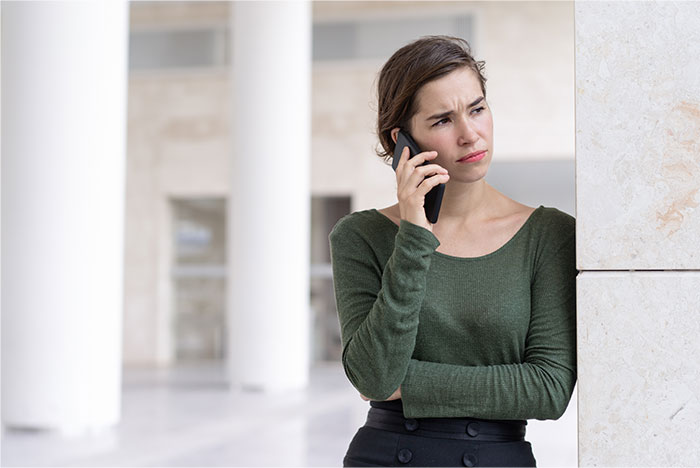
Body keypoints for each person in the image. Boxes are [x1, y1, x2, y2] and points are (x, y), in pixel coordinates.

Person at [328, 36, 577, 467]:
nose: (470, 134)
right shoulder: (360, 235)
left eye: (477, 109)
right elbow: (373, 376)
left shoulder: (549, 234)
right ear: (404, 140)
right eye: (443, 120)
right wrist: (413, 235)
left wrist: (408, 383)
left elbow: (549, 388)